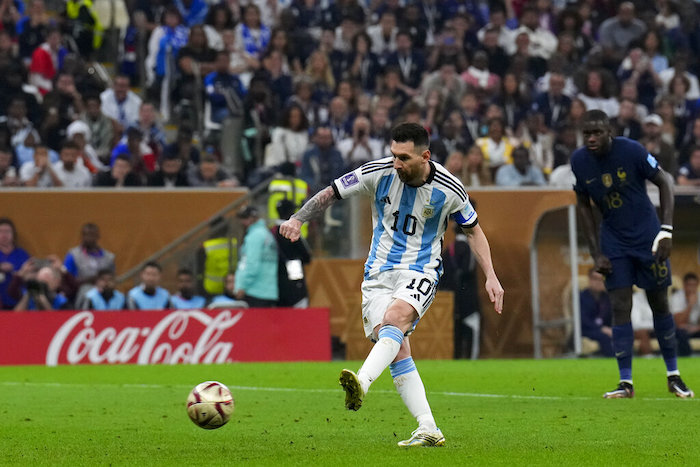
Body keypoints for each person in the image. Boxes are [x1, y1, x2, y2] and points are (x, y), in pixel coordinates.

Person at [279, 122, 504, 447]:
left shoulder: (450, 189)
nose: (396, 163)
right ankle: (428, 427)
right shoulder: (378, 172)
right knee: (396, 347)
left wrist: (492, 276)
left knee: (395, 319)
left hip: (422, 268)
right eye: (393, 155)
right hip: (377, 275)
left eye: (403, 157)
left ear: (424, 156)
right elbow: (332, 192)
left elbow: (474, 231)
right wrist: (298, 218)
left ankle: (362, 382)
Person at [571, 109, 693, 399]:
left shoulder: (632, 151)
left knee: (659, 303)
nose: (591, 138)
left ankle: (673, 376)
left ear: (609, 131)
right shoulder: (579, 161)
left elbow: (666, 182)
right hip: (614, 242)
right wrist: (596, 252)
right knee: (620, 305)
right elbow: (584, 206)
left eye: (596, 132)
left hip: (648, 238)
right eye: (586, 133)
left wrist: (666, 231)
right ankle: (625, 382)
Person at [234, 206, 278, 307]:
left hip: (254, 291)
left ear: (251, 219)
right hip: (269, 290)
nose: (242, 222)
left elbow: (251, 264)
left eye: (244, 218)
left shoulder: (254, 236)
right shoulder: (267, 234)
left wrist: (242, 286)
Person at [273, 199, 311, 308]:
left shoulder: (272, 230)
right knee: (298, 299)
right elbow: (306, 256)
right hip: (293, 270)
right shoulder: (290, 231)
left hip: (276, 278)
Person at [64, 222, 116, 291]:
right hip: (80, 291)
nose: (88, 238)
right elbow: (67, 279)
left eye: (92, 235)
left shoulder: (109, 257)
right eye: (85, 235)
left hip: (104, 292)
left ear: (98, 236)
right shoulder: (73, 255)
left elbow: (112, 279)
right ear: (81, 237)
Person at [580, 268, 614, 357]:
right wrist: (601, 328)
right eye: (595, 279)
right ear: (589, 279)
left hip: (605, 329)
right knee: (604, 337)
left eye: (601, 279)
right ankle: (613, 362)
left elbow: (612, 317)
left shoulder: (607, 297)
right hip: (587, 330)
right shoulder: (582, 297)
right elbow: (583, 320)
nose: (598, 282)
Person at [0, 217, 31, 309]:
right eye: (1, 231)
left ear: (13, 234)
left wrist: (21, 273)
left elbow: (30, 275)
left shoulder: (22, 254)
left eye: (7, 232)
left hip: (18, 302)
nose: (4, 235)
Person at [672, 272, 700, 356]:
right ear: (684, 285)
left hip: (696, 328)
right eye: (689, 285)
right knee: (681, 334)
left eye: (694, 285)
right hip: (681, 329)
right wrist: (690, 305)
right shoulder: (676, 297)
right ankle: (687, 358)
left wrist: (697, 328)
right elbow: (678, 323)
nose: (691, 288)